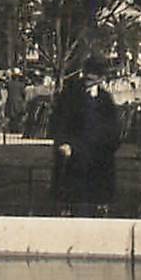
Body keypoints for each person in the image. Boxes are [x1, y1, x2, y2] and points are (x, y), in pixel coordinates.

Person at [50, 57, 121, 216]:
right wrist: (64, 143)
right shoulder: (70, 96)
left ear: (101, 78)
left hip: (99, 158)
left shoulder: (105, 99)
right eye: (88, 77)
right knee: (75, 199)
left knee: (97, 200)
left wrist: (108, 146)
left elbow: (113, 129)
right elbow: (59, 122)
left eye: (94, 78)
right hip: (74, 156)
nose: (90, 82)